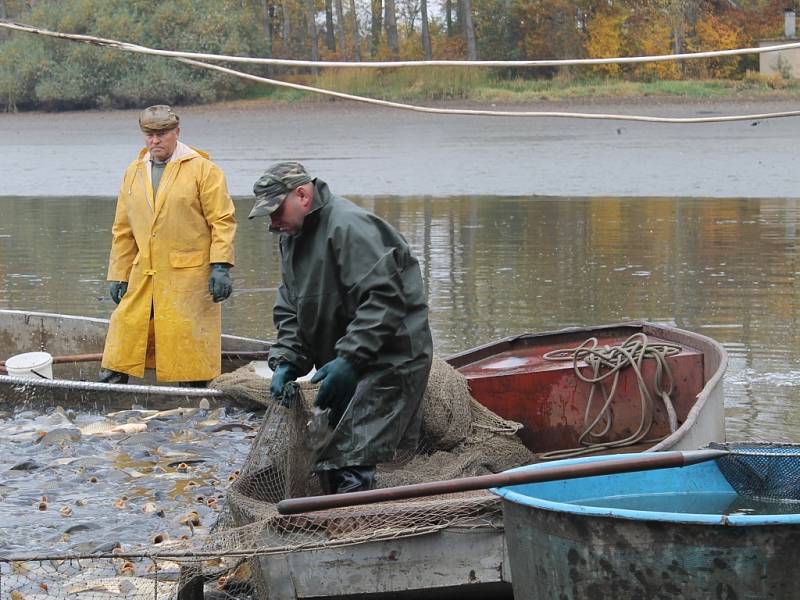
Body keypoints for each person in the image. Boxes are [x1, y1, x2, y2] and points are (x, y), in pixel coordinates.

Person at [249, 162, 433, 494]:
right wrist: (287, 360)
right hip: (343, 360)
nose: (272, 222)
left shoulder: (349, 226)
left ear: (302, 195)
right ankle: (340, 513)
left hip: (391, 357)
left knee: (352, 452)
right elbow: (292, 306)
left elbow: (384, 300)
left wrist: (350, 359)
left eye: (276, 210)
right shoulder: (291, 236)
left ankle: (352, 529)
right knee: (327, 444)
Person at [99, 105, 236, 386]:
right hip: (144, 272)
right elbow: (123, 231)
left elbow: (222, 220)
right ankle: (112, 383)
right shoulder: (133, 173)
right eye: (149, 134)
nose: (154, 141)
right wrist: (118, 274)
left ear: (176, 132)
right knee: (125, 326)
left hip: (190, 276)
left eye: (161, 134)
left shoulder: (204, 170)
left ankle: (195, 387)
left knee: (185, 336)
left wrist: (220, 265)